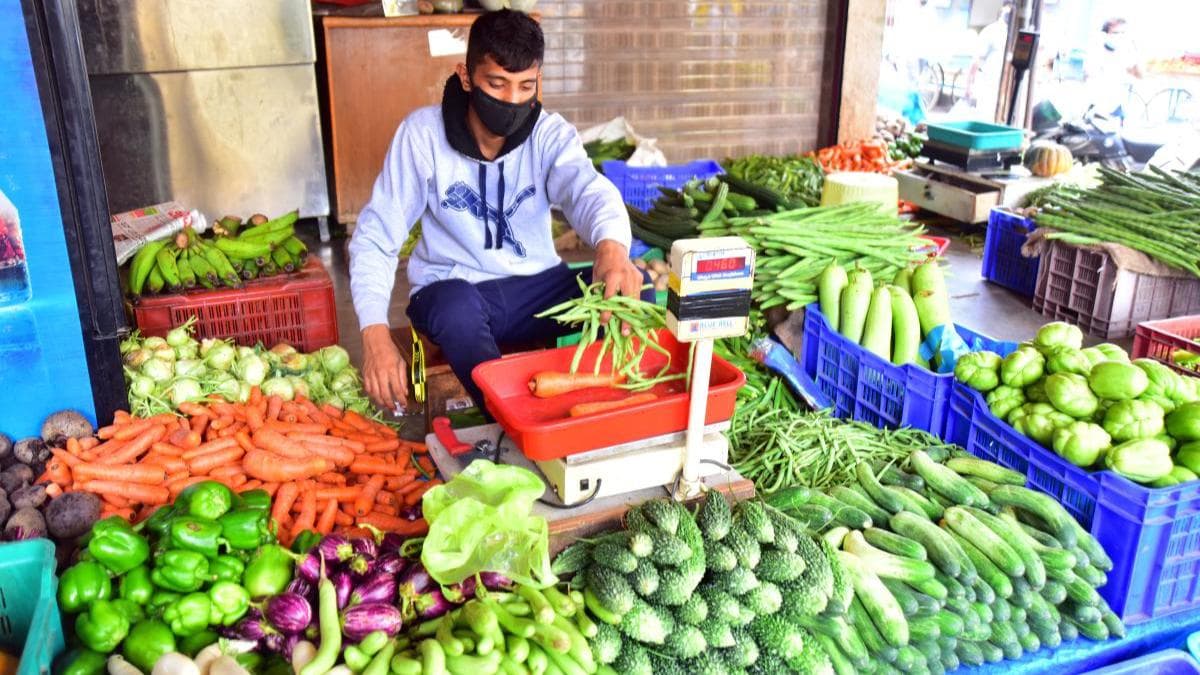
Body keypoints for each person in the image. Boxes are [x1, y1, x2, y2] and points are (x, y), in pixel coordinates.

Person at [348, 9, 649, 414]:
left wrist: (612, 248)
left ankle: (596, 406)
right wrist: (374, 335)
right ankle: (512, 419)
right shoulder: (422, 136)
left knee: (635, 287)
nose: (512, 101)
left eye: (526, 86)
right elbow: (376, 236)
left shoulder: (549, 134)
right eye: (497, 83)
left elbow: (587, 191)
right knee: (456, 310)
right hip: (455, 290)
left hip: (538, 290)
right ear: (466, 76)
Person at [1086, 17, 1142, 122]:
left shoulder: (1125, 52)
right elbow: (1089, 74)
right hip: (1097, 107)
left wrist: (1135, 51)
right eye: (1116, 33)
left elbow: (1140, 75)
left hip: (1117, 107)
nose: (1120, 36)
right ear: (1105, 34)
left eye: (1123, 33)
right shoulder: (1096, 51)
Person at [965, 0, 1012, 119]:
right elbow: (976, 60)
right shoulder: (991, 31)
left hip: (1006, 87)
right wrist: (969, 86)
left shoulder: (1013, 32)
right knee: (986, 117)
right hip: (988, 85)